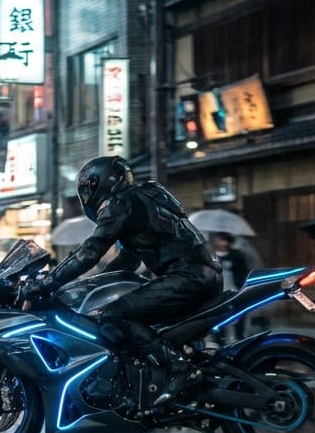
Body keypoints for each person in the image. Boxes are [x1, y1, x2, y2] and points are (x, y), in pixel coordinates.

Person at [20, 156, 221, 406]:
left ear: (97, 184)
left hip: (188, 277)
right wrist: (87, 286)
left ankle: (181, 369)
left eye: (87, 189)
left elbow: (90, 251)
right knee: (135, 316)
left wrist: (49, 282)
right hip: (200, 275)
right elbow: (126, 262)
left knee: (116, 314)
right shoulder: (142, 198)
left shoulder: (120, 203)